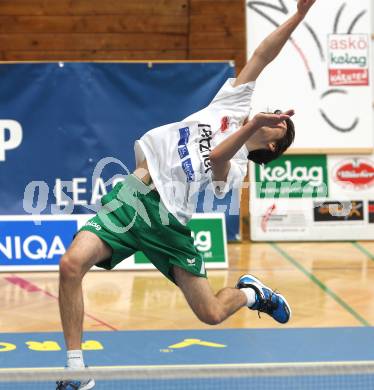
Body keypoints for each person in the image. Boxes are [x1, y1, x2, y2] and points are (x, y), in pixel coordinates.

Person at [56, 1, 316, 388]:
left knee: (210, 313)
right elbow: (263, 54)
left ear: (274, 147)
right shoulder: (233, 103)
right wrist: (298, 17)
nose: (274, 117)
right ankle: (76, 371)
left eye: (280, 124)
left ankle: (251, 295)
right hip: (133, 198)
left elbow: (215, 159)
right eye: (275, 115)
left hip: (168, 224)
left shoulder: (240, 169)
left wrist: (251, 128)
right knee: (70, 265)